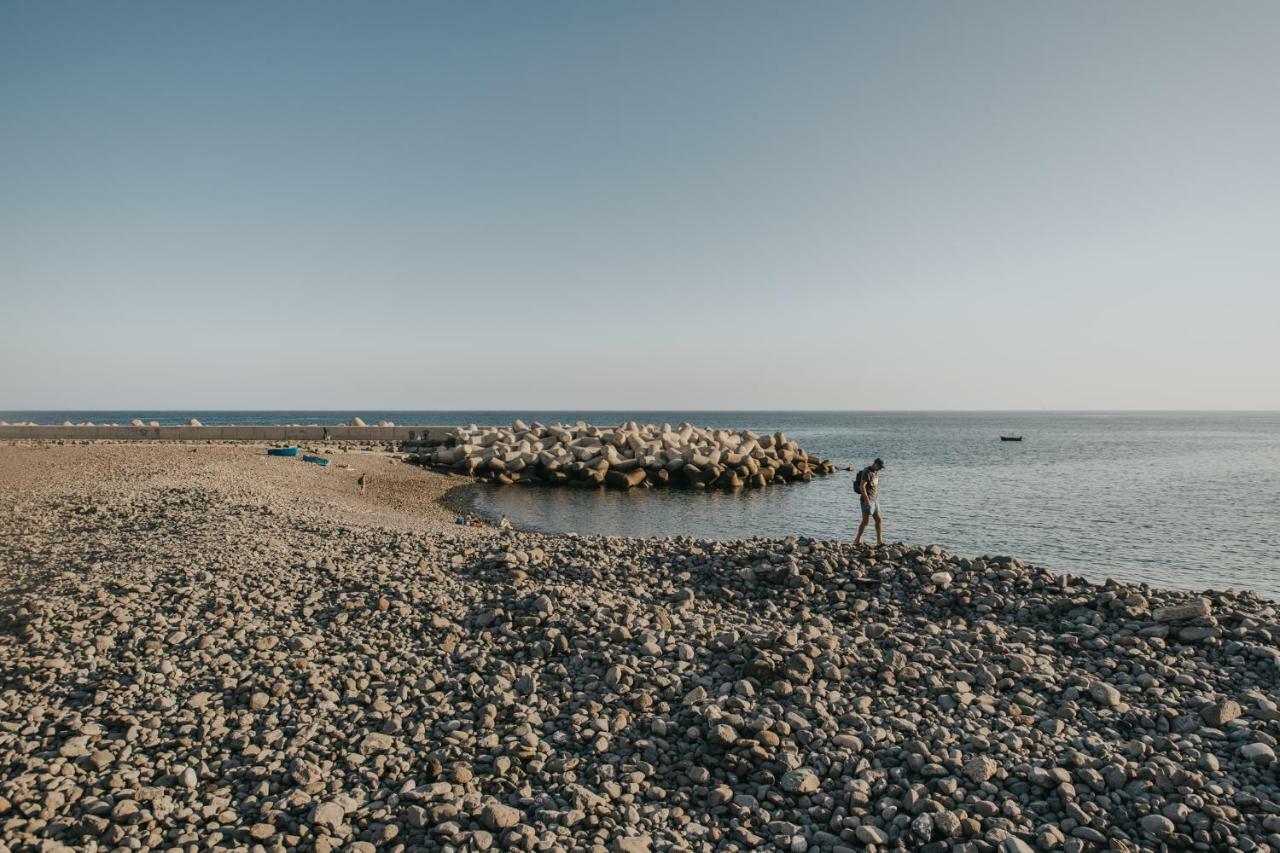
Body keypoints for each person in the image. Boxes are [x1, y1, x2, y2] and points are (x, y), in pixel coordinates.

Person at [853, 457, 885, 547]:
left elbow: (875, 486)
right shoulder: (867, 472)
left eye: (881, 468)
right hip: (867, 500)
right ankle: (857, 540)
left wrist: (876, 497)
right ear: (875, 464)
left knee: (879, 520)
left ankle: (879, 541)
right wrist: (867, 500)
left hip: (875, 500)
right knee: (865, 522)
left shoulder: (875, 472)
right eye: (879, 467)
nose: (880, 469)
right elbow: (862, 486)